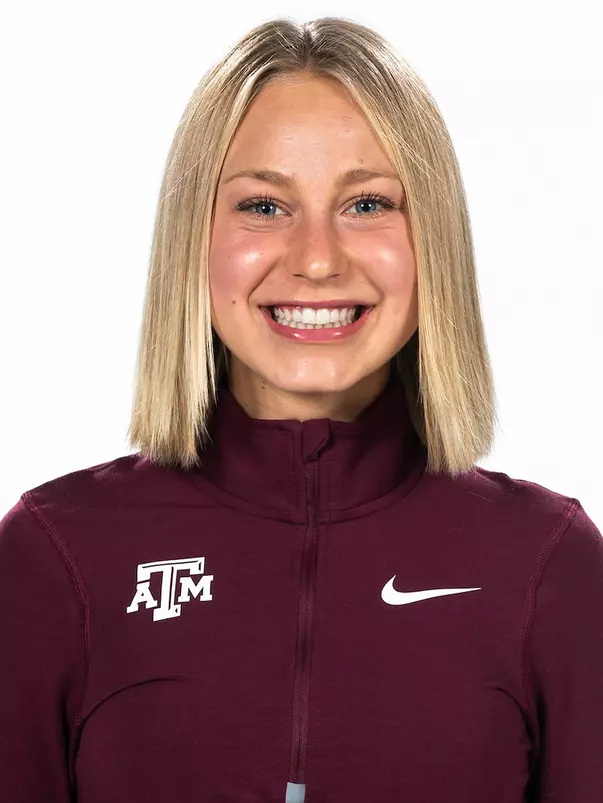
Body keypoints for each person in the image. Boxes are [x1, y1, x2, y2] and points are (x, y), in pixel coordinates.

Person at [0, 15, 601, 803]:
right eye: (263, 206)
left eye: (368, 204)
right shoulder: (52, 559)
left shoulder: (548, 564)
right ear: (195, 240)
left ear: (434, 242)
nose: (317, 258)